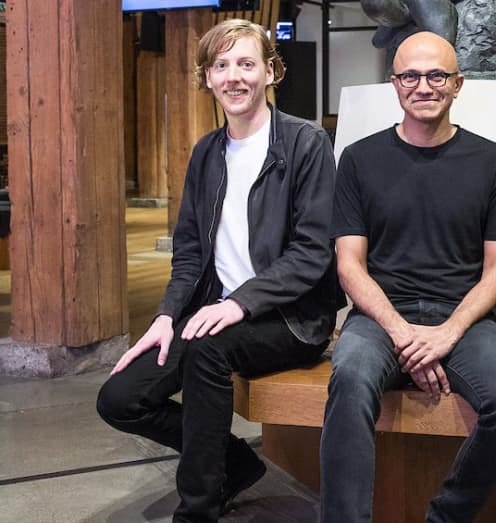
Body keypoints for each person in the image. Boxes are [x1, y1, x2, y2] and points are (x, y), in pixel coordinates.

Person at [96, 19, 342, 522]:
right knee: (120, 399)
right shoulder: (207, 152)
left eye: (247, 64)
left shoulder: (305, 144)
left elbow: (313, 251)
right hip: (215, 310)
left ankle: (198, 511)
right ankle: (233, 460)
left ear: (270, 71)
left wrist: (238, 304)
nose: (234, 76)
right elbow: (189, 251)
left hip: (289, 317)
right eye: (222, 65)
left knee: (208, 351)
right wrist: (167, 315)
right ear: (207, 77)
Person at [321, 31, 496, 523]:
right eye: (411, 76)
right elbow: (349, 264)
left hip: (463, 318)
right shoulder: (358, 159)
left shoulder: (493, 162)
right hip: (379, 318)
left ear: (457, 84)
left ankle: (446, 516)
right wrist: (402, 334)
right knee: (350, 378)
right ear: (394, 84)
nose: (424, 86)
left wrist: (447, 334)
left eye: (437, 75)